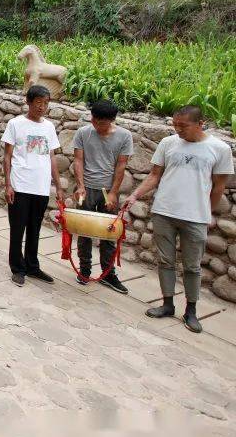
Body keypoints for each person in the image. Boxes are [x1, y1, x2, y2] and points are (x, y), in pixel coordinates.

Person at [123, 105, 234, 333]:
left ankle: (191, 311)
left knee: (192, 267)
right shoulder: (168, 143)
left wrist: (207, 213)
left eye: (183, 126)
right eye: (175, 125)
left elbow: (218, 187)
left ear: (200, 123)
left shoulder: (219, 149)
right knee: (165, 261)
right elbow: (155, 175)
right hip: (164, 211)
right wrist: (135, 195)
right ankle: (167, 304)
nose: (178, 130)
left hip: (195, 217)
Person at [2, 85, 64, 287]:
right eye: (39, 103)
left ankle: (32, 266)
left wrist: (58, 186)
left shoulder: (48, 127)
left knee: (35, 229)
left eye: (46, 103)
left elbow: (52, 157)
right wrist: (8, 184)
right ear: (29, 102)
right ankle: (17, 268)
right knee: (17, 228)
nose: (42, 107)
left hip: (41, 187)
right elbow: (8, 156)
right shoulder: (15, 124)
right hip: (20, 185)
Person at [71, 99, 133, 293]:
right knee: (84, 230)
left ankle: (108, 274)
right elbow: (78, 160)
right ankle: (85, 269)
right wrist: (80, 186)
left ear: (112, 120)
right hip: (87, 188)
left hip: (108, 191)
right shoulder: (83, 132)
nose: (97, 125)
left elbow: (121, 166)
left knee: (109, 233)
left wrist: (114, 193)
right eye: (94, 121)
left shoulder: (124, 136)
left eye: (102, 123)